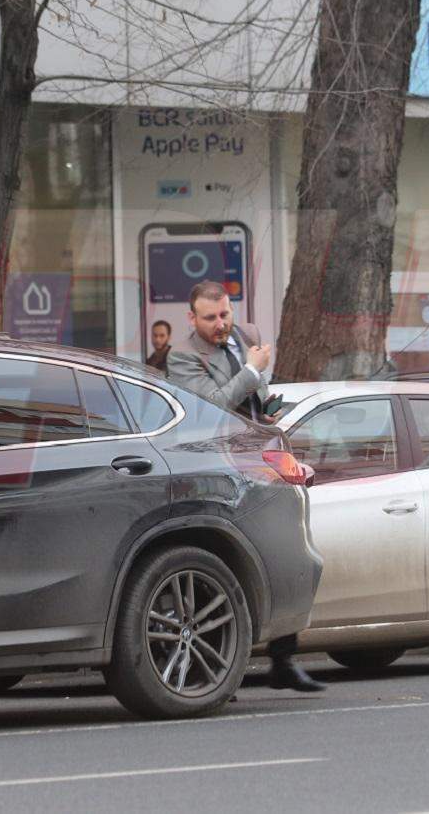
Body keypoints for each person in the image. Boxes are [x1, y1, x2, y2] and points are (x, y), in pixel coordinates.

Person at [165, 279, 325, 693]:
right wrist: (252, 371)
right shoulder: (182, 356)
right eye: (210, 318)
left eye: (225, 315)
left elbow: (254, 394)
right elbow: (209, 408)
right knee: (221, 561)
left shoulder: (247, 336)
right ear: (191, 318)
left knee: (285, 553)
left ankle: (284, 660)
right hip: (216, 466)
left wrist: (266, 407)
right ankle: (211, 669)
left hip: (262, 461)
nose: (221, 325)